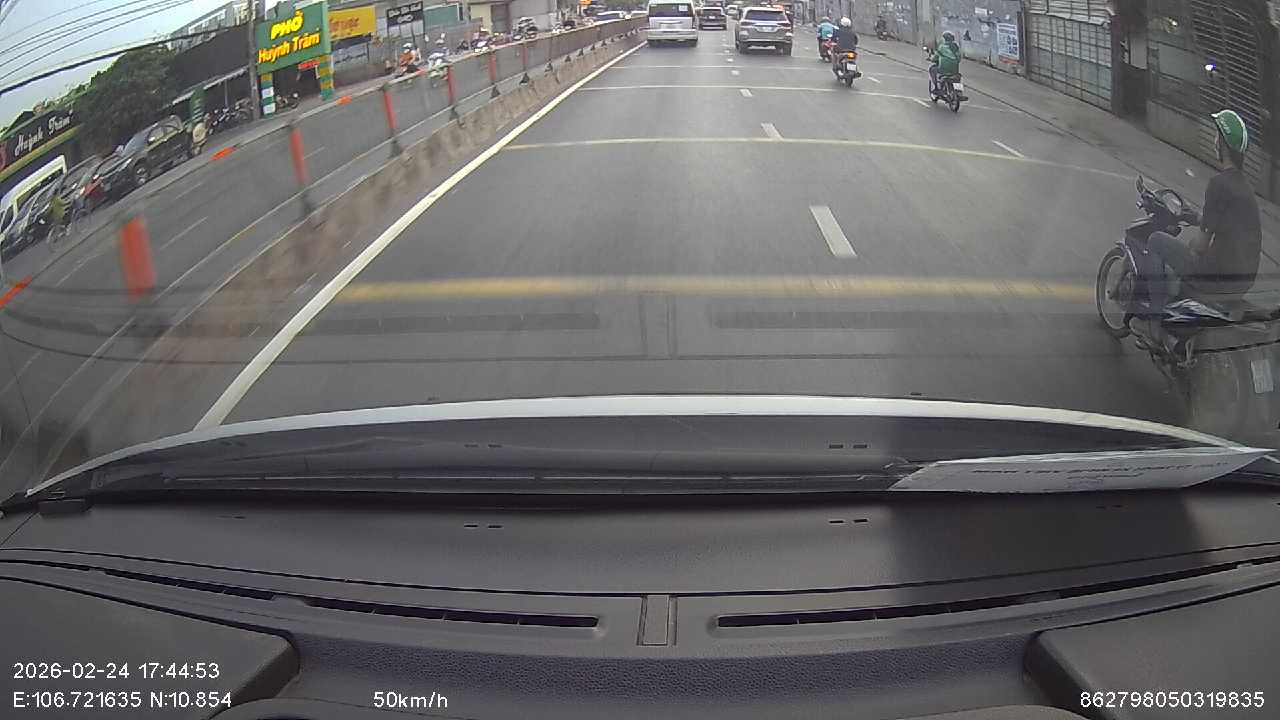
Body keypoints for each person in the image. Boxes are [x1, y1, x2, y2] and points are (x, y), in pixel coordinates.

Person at [1143, 109, 1261, 318]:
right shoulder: (1246, 188)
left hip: (1216, 276)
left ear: (1221, 144)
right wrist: (1197, 217)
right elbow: (1228, 221)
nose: (1214, 140)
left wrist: (1190, 247)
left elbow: (1200, 245)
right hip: (1243, 280)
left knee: (1156, 241)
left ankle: (1155, 317)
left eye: (1216, 135)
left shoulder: (1219, 184)